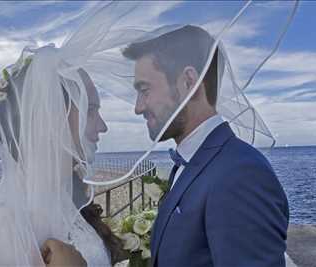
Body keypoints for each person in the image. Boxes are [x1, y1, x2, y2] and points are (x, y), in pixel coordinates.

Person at [122, 25, 289, 267]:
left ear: (189, 82)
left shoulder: (240, 175)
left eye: (144, 90)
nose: (137, 107)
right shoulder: (192, 162)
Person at [0, 46, 125, 266]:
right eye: (90, 110)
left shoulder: (65, 196)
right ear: (52, 117)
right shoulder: (13, 226)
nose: (103, 126)